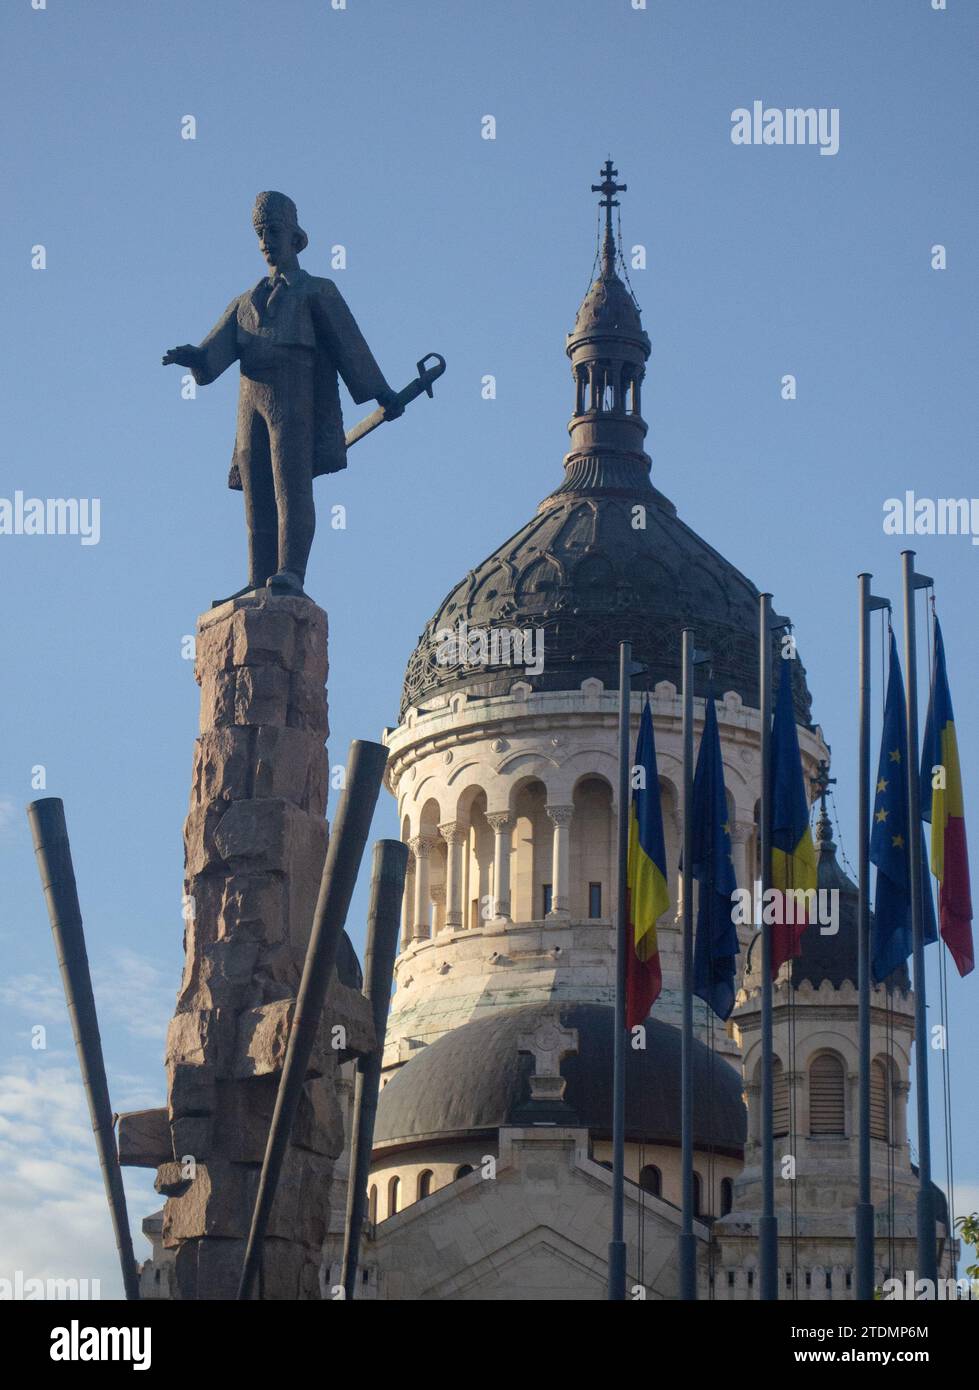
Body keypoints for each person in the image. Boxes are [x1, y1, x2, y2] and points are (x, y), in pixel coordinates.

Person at [163, 190, 403, 600]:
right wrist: (194, 358)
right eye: (259, 233)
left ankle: (290, 571)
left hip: (294, 393)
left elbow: (349, 345)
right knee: (256, 490)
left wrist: (382, 392)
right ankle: (258, 579)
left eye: (272, 231)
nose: (264, 241)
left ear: (295, 236)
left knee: (289, 484)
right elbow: (212, 359)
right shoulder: (243, 303)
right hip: (249, 398)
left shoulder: (316, 290)